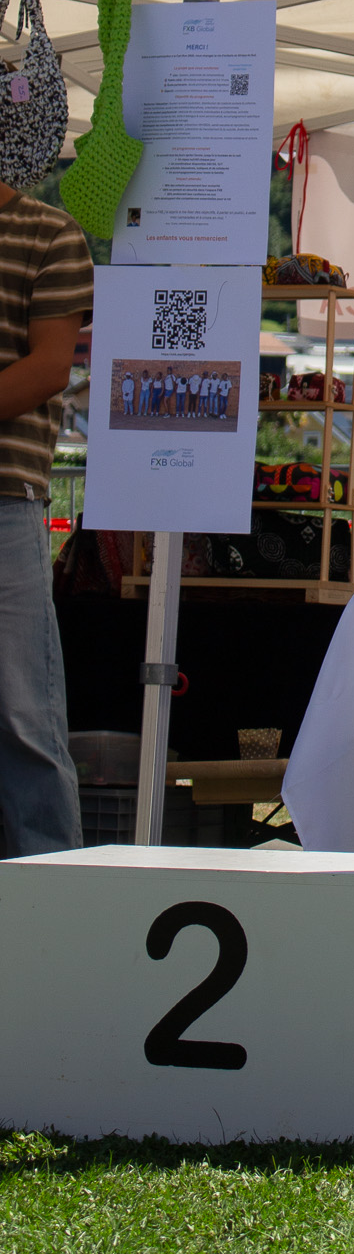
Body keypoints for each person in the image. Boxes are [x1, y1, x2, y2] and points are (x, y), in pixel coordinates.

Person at [0, 174, 92, 852]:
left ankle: (54, 890)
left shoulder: (49, 232)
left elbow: (50, 367)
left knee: (22, 712)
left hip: (5, 496)